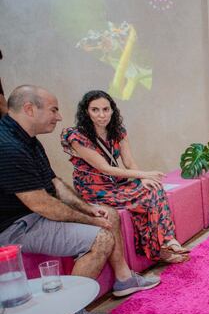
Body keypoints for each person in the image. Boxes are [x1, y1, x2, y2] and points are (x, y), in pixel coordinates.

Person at [0, 85, 160, 314]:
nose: (59, 116)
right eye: (53, 110)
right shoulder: (8, 146)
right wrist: (91, 221)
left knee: (108, 213)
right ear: (29, 109)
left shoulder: (28, 140)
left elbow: (55, 184)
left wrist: (89, 210)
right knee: (101, 238)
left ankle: (124, 279)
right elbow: (42, 204)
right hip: (16, 228)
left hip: (34, 214)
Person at [61, 90, 188, 263]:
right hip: (94, 189)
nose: (101, 115)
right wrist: (144, 174)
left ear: (112, 110)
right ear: (86, 112)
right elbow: (105, 168)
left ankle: (165, 241)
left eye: (106, 109)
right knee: (147, 196)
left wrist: (143, 179)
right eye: (95, 110)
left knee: (154, 187)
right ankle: (161, 249)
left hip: (115, 184)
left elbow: (128, 162)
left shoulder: (117, 131)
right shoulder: (77, 136)